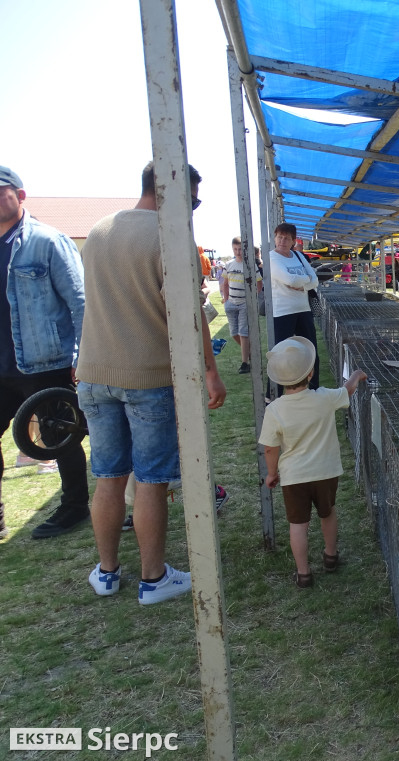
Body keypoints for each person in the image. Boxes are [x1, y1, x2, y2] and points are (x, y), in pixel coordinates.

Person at [77, 161, 226, 605]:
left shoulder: (100, 230)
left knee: (107, 478)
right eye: (194, 201)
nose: (194, 209)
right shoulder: (171, 239)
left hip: (94, 375)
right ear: (174, 191)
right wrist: (211, 372)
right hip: (148, 377)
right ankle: (153, 577)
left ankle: (106, 572)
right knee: (151, 480)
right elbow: (188, 314)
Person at [0, 165, 90, 540]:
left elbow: (81, 301)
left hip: (44, 362)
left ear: (20, 196)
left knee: (60, 439)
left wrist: (83, 355)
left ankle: (74, 507)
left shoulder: (47, 240)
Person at [259, 336, 366, 588]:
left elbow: (270, 448)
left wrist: (272, 473)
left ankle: (303, 573)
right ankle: (330, 556)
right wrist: (357, 375)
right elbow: (347, 390)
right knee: (327, 513)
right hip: (326, 472)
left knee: (298, 525)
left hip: (294, 477)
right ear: (310, 374)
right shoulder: (325, 398)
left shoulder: (274, 410)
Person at [265, 223, 319, 399]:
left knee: (311, 351)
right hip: (282, 312)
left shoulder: (299, 256)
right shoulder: (271, 258)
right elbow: (289, 279)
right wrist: (305, 281)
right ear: (274, 238)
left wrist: (301, 283)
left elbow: (315, 280)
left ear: (293, 241)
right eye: (279, 237)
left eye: (287, 238)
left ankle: (313, 390)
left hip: (303, 310)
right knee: (280, 353)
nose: (282, 241)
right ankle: (273, 394)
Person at [221, 235, 262, 374]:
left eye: (240, 249)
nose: (238, 252)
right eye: (235, 249)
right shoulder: (229, 265)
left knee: (243, 333)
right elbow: (225, 284)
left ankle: (245, 363)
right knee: (234, 333)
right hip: (231, 303)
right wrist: (226, 300)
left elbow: (259, 283)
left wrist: (253, 299)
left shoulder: (250, 265)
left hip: (245, 303)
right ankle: (250, 353)